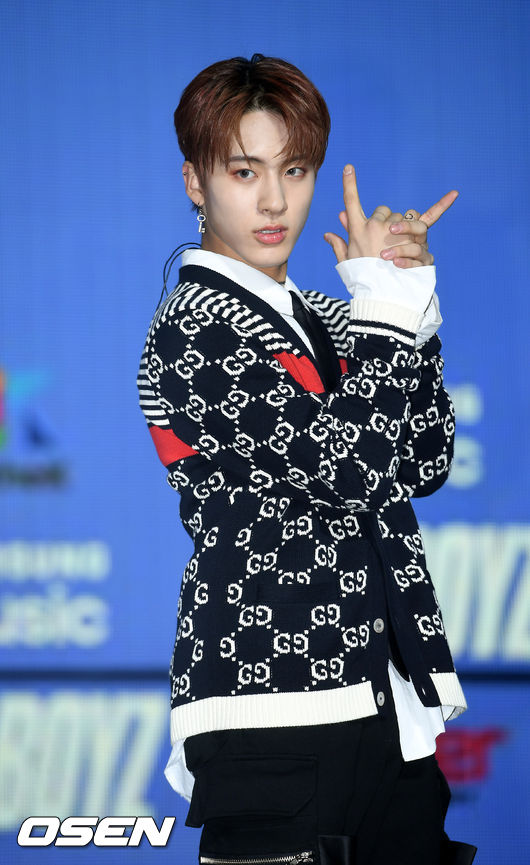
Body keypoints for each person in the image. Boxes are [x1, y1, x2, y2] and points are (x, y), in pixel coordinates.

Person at [137, 54, 477, 865]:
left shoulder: (332, 314)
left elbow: (424, 458)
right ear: (194, 181)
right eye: (244, 171)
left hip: (390, 701)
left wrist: (406, 299)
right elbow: (348, 471)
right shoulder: (193, 325)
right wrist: (385, 317)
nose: (274, 200)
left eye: (294, 170)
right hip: (269, 706)